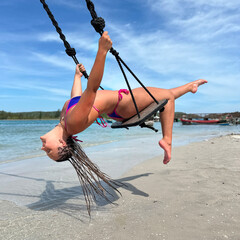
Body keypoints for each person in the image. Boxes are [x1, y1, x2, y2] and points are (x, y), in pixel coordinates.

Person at [40, 31, 207, 212]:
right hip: (123, 106)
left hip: (120, 104)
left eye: (46, 150)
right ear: (62, 143)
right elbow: (93, 89)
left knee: (165, 94)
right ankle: (167, 140)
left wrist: (76, 77)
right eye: (49, 150)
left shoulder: (66, 120)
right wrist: (102, 51)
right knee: (166, 97)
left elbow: (76, 98)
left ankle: (191, 86)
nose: (43, 148)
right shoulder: (73, 123)